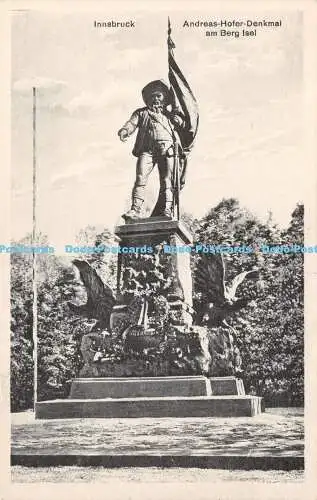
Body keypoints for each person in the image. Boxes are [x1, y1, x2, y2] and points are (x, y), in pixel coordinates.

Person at [118, 80, 185, 220]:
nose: (155, 99)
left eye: (159, 96)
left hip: (168, 150)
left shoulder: (170, 116)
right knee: (140, 178)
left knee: (168, 181)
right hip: (147, 150)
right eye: (153, 96)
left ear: (164, 98)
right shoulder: (142, 113)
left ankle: (167, 210)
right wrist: (125, 130)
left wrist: (179, 119)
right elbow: (131, 123)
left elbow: (184, 127)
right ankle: (135, 210)